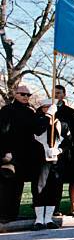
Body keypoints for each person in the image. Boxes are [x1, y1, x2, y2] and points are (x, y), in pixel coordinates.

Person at [31, 99, 70, 230]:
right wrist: (48, 116)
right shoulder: (37, 121)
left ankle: (48, 218)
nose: (49, 109)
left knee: (53, 188)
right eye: (46, 107)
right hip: (40, 159)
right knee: (40, 187)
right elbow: (37, 130)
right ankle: (39, 219)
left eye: (51, 107)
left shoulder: (62, 124)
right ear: (42, 108)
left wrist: (59, 150)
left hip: (56, 160)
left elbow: (69, 143)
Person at [0, 85, 36, 223]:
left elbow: (36, 130)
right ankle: (3, 214)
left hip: (25, 154)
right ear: (15, 94)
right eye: (23, 94)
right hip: (10, 153)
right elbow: (2, 132)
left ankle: (14, 213)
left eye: (28, 95)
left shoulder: (30, 112)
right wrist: (5, 151)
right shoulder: (7, 110)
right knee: (7, 184)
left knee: (19, 185)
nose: (26, 97)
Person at [52, 84, 74, 217]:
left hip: (62, 150)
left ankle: (56, 207)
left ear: (64, 95)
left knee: (58, 180)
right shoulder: (44, 108)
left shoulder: (69, 112)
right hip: (46, 149)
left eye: (59, 93)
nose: (56, 95)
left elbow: (70, 133)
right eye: (54, 93)